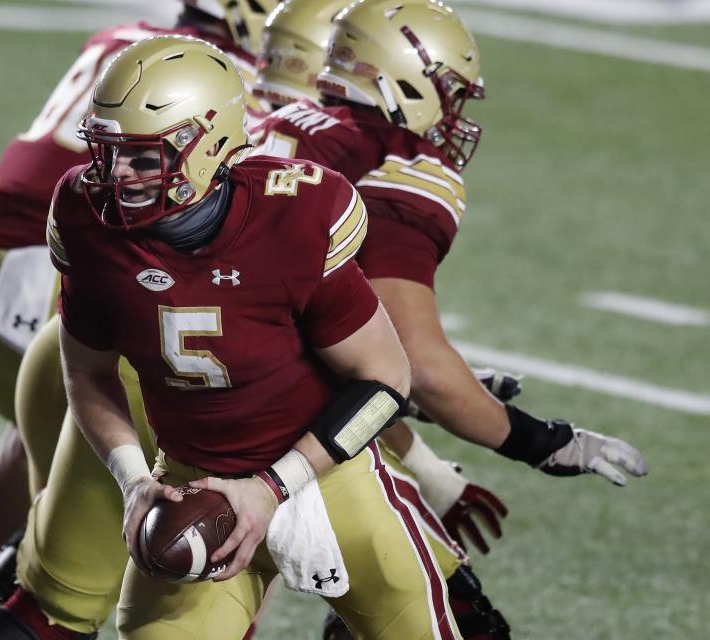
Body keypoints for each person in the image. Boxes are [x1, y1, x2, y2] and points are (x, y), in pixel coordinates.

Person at [0, 34, 464, 640]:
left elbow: (386, 379)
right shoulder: (81, 213)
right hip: (191, 485)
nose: (114, 176)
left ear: (206, 146)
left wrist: (271, 488)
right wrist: (133, 481)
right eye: (105, 153)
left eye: (141, 158)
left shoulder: (297, 213)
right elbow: (88, 371)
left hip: (327, 485)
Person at [250, 0, 649, 636]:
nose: (453, 111)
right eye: (447, 91)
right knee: (456, 622)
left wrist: (414, 399)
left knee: (65, 600)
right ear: (401, 80)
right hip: (266, 432)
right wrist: (541, 441)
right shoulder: (398, 163)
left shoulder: (277, 122)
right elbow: (420, 366)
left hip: (162, 386)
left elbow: (303, 327)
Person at [0, 3, 281, 638]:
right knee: (184, 504)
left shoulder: (126, 46)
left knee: (35, 453)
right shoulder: (212, 89)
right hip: (66, 279)